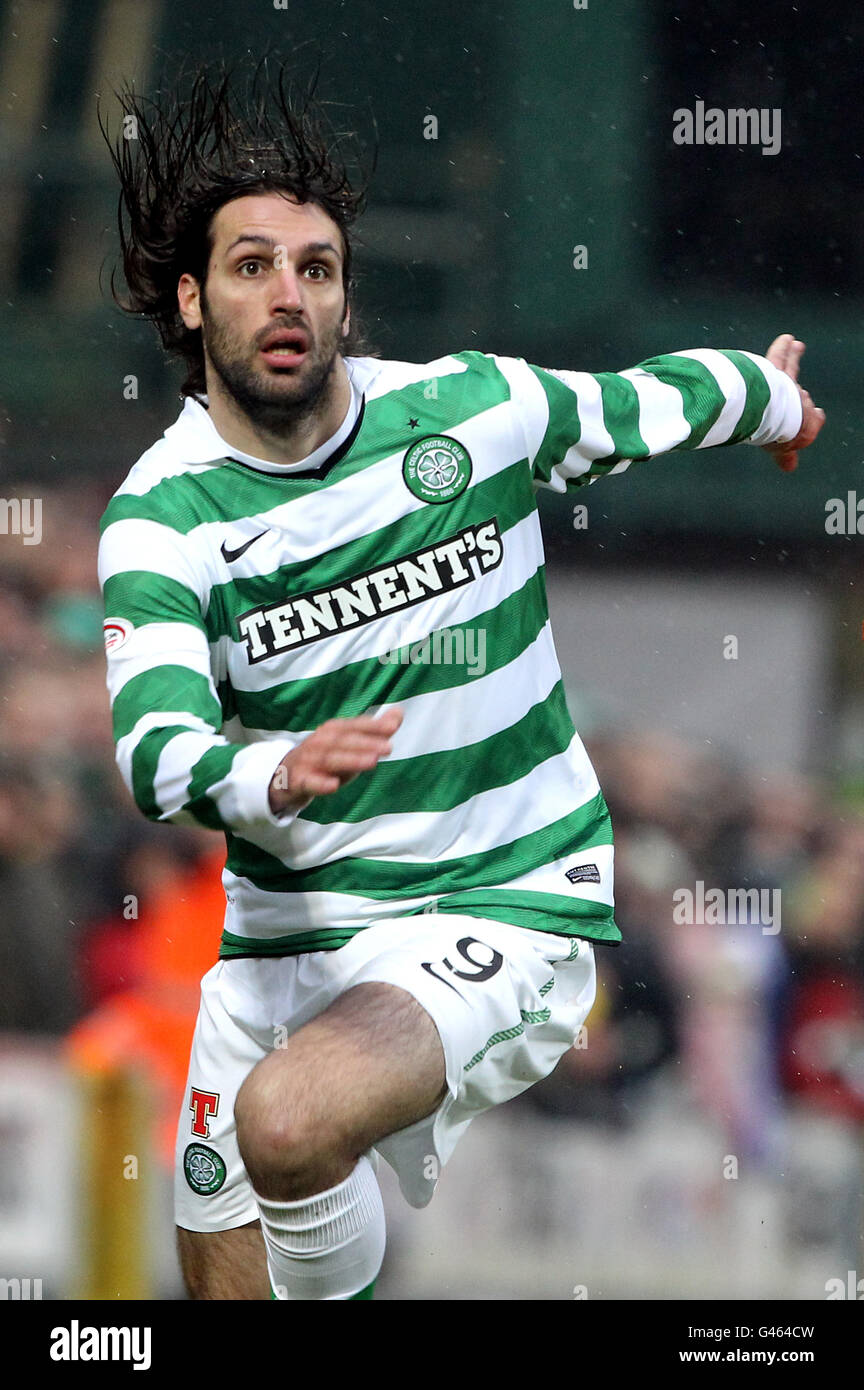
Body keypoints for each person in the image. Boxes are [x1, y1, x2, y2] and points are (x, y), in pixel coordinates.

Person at [97, 63, 825, 1301]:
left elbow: (652, 401)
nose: (289, 295)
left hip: (502, 897)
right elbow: (155, 746)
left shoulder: (468, 413)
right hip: (284, 947)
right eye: (253, 265)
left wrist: (774, 399)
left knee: (284, 1123)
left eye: (316, 269)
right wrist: (268, 767)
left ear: (344, 297)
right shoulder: (161, 519)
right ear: (190, 296)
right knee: (224, 1278)